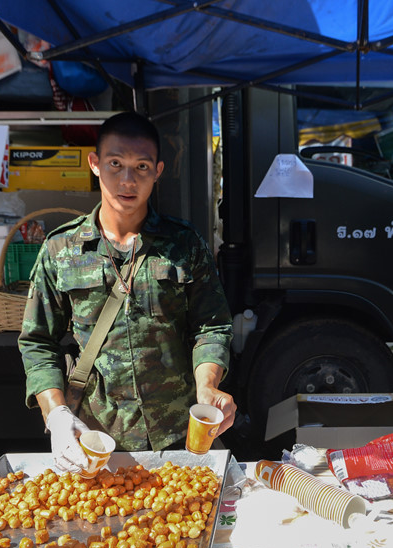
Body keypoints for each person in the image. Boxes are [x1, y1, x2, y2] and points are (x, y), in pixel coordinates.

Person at [19, 111, 235, 474]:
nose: (127, 180)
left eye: (142, 167)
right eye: (115, 164)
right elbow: (38, 342)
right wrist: (56, 415)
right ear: (95, 164)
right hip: (97, 441)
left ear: (158, 171)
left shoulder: (184, 244)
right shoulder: (61, 249)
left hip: (179, 436)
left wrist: (208, 386)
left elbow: (212, 326)